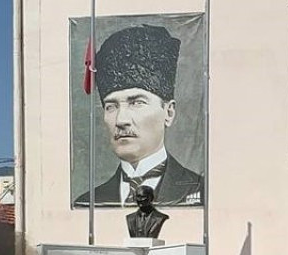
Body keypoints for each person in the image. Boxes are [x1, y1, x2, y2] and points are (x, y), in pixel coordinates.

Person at [74, 24, 204, 206]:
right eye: (111, 106)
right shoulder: (87, 204)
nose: (121, 120)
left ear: (169, 112)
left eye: (136, 102)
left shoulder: (202, 193)